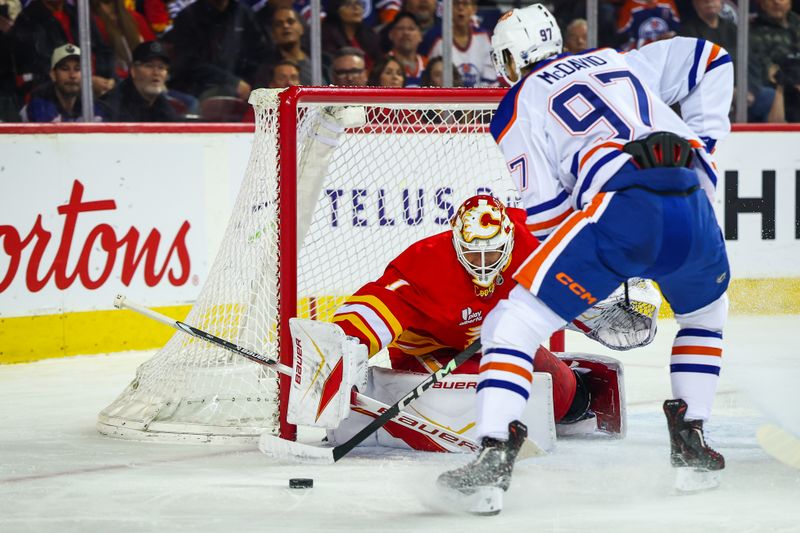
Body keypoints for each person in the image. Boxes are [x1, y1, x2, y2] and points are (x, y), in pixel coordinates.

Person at [438, 3, 733, 514]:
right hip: (692, 195)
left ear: (510, 56)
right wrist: (704, 142)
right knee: (706, 315)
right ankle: (691, 442)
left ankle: (492, 454)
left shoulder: (518, 102)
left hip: (620, 208)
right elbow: (712, 56)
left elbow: (548, 211)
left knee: (510, 326)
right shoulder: (621, 60)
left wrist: (587, 274)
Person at [329, 194, 659, 451]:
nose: (484, 264)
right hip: (433, 351)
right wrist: (345, 343)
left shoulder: (530, 240)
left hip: (497, 343)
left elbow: (574, 264)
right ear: (456, 243)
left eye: (493, 253)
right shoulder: (426, 264)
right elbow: (379, 303)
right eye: (474, 254)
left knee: (560, 390)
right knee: (490, 400)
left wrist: (600, 309)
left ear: (509, 240)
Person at [166, 0, 272, 101]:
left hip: (244, 89)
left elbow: (260, 55)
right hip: (197, 91)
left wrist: (251, 85)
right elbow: (188, 64)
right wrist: (231, 82)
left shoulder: (244, 14)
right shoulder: (188, 17)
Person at [20, 44, 104, 122]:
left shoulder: (89, 101)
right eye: (65, 69)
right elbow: (54, 135)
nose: (72, 75)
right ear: (53, 75)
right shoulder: (40, 101)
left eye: (77, 69)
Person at [100, 40, 179, 121]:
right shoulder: (111, 106)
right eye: (149, 66)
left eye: (161, 67)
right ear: (133, 71)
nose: (156, 73)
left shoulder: (164, 107)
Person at [423, 0, 496, 87]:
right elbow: (427, 76)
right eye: (456, 3)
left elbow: (490, 78)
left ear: (474, 9)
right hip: (445, 97)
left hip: (479, 98)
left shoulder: (484, 37)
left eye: (465, 3)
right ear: (446, 8)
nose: (460, 8)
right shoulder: (434, 38)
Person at [749, 0, 800, 122]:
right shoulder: (752, 32)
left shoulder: (797, 24)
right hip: (780, 91)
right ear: (761, 3)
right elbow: (767, 69)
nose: (776, 2)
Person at [321, 0, 382, 70]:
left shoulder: (370, 35)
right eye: (348, 4)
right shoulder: (326, 36)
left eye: (359, 4)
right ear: (336, 10)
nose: (356, 8)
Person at [616, 0, 681, 50]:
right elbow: (622, 35)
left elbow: (677, 27)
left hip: (665, 49)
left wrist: (671, 34)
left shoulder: (667, 2)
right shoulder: (630, 6)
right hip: (639, 53)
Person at [386, 11, 425, 87]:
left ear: (421, 36)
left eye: (411, 29)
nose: (406, 33)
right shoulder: (382, 65)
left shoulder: (428, 65)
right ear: (391, 34)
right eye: (400, 28)